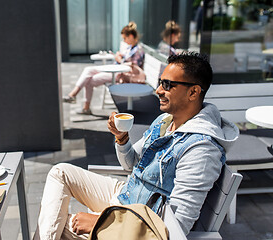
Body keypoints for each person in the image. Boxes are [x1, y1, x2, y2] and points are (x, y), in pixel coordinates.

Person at [33, 52, 239, 240]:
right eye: (160, 82)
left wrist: (103, 223)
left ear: (193, 92)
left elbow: (173, 227)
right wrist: (122, 138)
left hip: (136, 220)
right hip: (129, 193)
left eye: (167, 85)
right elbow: (131, 165)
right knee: (60, 172)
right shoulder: (165, 121)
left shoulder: (201, 149)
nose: (158, 90)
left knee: (56, 224)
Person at [63, 22, 145, 115]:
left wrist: (120, 60)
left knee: (89, 80)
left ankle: (82, 104)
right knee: (88, 70)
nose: (124, 41)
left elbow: (133, 68)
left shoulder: (138, 50)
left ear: (130, 36)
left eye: (124, 38)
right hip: (116, 70)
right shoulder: (130, 47)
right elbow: (127, 60)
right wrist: (119, 56)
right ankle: (73, 95)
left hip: (121, 74)